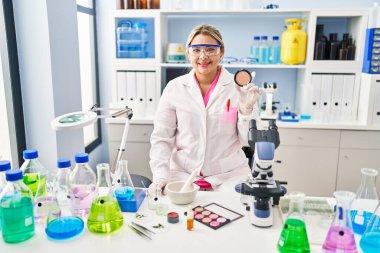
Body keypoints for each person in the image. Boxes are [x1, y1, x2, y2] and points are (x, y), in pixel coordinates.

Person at [149, 24, 261, 195]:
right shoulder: (174, 88)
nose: (203, 56)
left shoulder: (239, 88)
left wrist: (246, 110)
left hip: (229, 174)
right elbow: (162, 138)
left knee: (237, 215)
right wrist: (160, 175)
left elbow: (248, 141)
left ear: (221, 52)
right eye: (196, 50)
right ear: (188, 52)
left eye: (210, 49)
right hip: (182, 173)